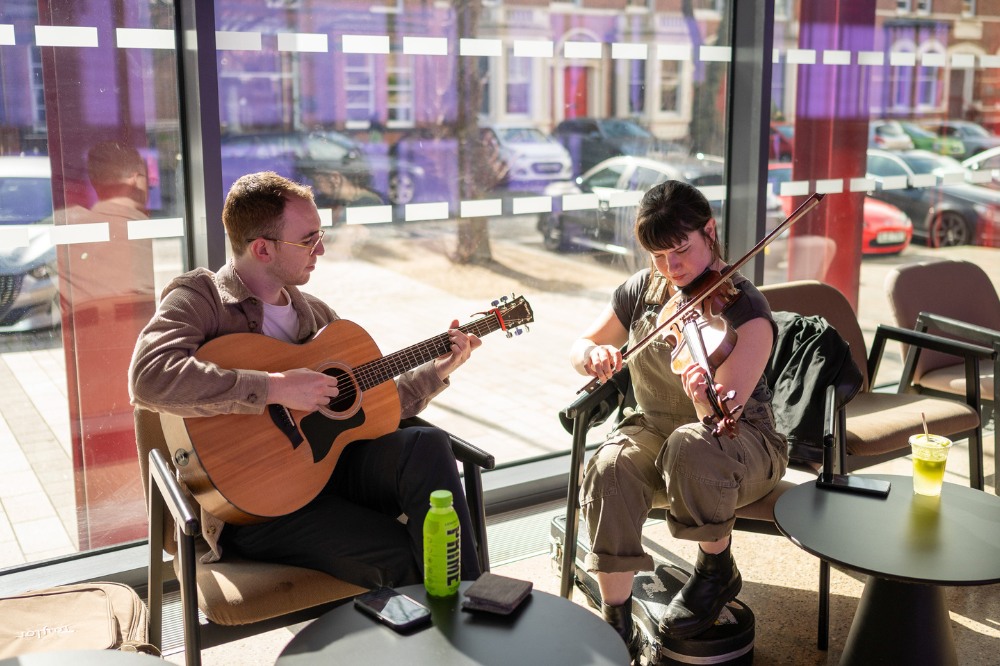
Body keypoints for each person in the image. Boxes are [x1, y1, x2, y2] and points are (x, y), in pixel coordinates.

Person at [128, 171, 483, 587]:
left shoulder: (315, 314)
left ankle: (475, 607)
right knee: (410, 554)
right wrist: (275, 388)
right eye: (308, 239)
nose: (322, 249)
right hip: (256, 505)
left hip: (330, 474)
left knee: (427, 444)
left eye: (321, 235)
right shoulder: (200, 298)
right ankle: (463, 612)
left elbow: (372, 409)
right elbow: (149, 377)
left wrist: (435, 372)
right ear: (262, 248)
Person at [569, 180, 786, 659]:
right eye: (659, 256)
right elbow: (578, 346)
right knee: (611, 464)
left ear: (710, 231)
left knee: (693, 442)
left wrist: (703, 394)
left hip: (741, 444)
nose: (672, 268)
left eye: (681, 251)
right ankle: (617, 617)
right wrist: (593, 354)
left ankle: (715, 570)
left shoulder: (747, 310)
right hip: (656, 429)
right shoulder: (642, 291)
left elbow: (721, 417)